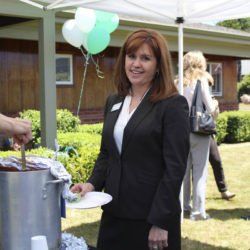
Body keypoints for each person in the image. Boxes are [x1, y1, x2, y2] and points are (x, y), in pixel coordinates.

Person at [71, 29, 190, 250]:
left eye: (145, 58)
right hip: (114, 212)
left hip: (151, 218)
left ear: (158, 65)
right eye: (131, 56)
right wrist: (91, 184)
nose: (136, 64)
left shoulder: (172, 105)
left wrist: (160, 221)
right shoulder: (114, 101)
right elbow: (107, 154)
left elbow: (175, 168)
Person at [183, 51, 217, 221]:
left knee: (183, 172)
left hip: (181, 132)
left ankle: (183, 207)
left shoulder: (178, 81)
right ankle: (198, 212)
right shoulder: (201, 79)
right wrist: (215, 103)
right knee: (199, 171)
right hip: (199, 131)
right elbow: (210, 107)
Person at [210, 134, 236, 200]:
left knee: (216, 161)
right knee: (194, 168)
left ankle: (224, 191)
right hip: (193, 134)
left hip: (207, 134)